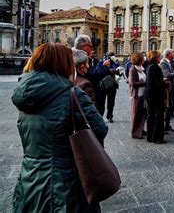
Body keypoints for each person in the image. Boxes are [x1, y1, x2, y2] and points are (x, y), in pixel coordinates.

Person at [12, 43, 107, 212]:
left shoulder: (24, 93)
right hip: (65, 180)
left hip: (30, 177)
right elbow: (99, 127)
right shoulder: (71, 93)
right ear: (62, 63)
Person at [74, 34, 112, 116]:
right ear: (83, 46)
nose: (92, 48)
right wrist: (104, 67)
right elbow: (92, 74)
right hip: (87, 95)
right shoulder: (79, 58)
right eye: (90, 46)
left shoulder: (84, 57)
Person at [145, 50, 167, 143]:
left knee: (151, 115)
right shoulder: (155, 67)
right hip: (155, 94)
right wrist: (164, 83)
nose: (160, 58)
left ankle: (150, 136)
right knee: (158, 115)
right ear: (156, 57)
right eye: (159, 56)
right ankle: (157, 138)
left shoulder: (149, 66)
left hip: (150, 94)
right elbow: (157, 83)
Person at [160, 48, 174, 132]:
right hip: (166, 88)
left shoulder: (169, 62)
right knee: (166, 106)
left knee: (169, 105)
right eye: (173, 53)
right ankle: (164, 126)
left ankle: (167, 125)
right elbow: (167, 75)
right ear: (169, 54)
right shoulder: (163, 63)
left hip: (170, 87)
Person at [128, 52, 147, 139]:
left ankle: (140, 130)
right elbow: (133, 83)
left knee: (142, 113)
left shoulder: (141, 68)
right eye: (142, 57)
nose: (144, 58)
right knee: (136, 114)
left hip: (142, 94)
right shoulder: (132, 70)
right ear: (139, 59)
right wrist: (145, 83)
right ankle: (135, 132)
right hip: (137, 95)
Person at [100, 52, 120, 123]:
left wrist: (115, 61)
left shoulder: (115, 62)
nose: (110, 58)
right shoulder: (102, 62)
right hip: (104, 85)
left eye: (112, 56)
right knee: (102, 102)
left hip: (112, 85)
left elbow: (118, 70)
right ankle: (100, 117)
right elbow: (101, 70)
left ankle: (109, 116)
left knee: (111, 102)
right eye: (110, 56)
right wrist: (110, 70)